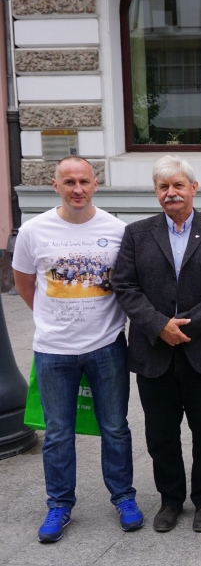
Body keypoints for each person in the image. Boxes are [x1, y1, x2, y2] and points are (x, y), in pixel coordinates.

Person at [13, 156, 143, 543]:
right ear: (56, 186)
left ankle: (124, 497)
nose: (77, 189)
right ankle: (59, 504)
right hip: (54, 351)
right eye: (69, 182)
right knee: (57, 432)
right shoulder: (34, 231)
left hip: (107, 347)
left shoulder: (116, 229)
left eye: (84, 181)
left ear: (95, 184)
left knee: (115, 428)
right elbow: (24, 283)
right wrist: (52, 318)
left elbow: (126, 283)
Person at [112, 155, 201, 533]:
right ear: (156, 192)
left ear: (194, 189)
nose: (171, 193)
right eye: (164, 186)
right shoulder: (136, 233)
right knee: (160, 434)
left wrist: (186, 326)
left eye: (178, 185)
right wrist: (159, 325)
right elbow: (125, 286)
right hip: (154, 352)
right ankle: (170, 500)